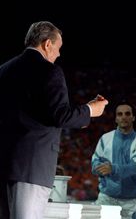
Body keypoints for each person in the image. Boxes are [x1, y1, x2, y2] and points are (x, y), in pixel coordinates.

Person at [0, 21, 108, 219]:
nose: (58, 54)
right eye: (58, 48)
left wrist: (81, 114)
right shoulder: (49, 70)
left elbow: (42, 113)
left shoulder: (4, 70)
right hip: (31, 168)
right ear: (47, 44)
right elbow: (60, 115)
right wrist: (90, 110)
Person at [91, 101, 136, 219]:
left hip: (130, 203)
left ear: (133, 118)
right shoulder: (105, 139)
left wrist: (112, 169)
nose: (123, 117)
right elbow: (94, 163)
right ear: (116, 119)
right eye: (120, 114)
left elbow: (135, 166)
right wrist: (99, 168)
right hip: (106, 198)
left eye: (127, 114)